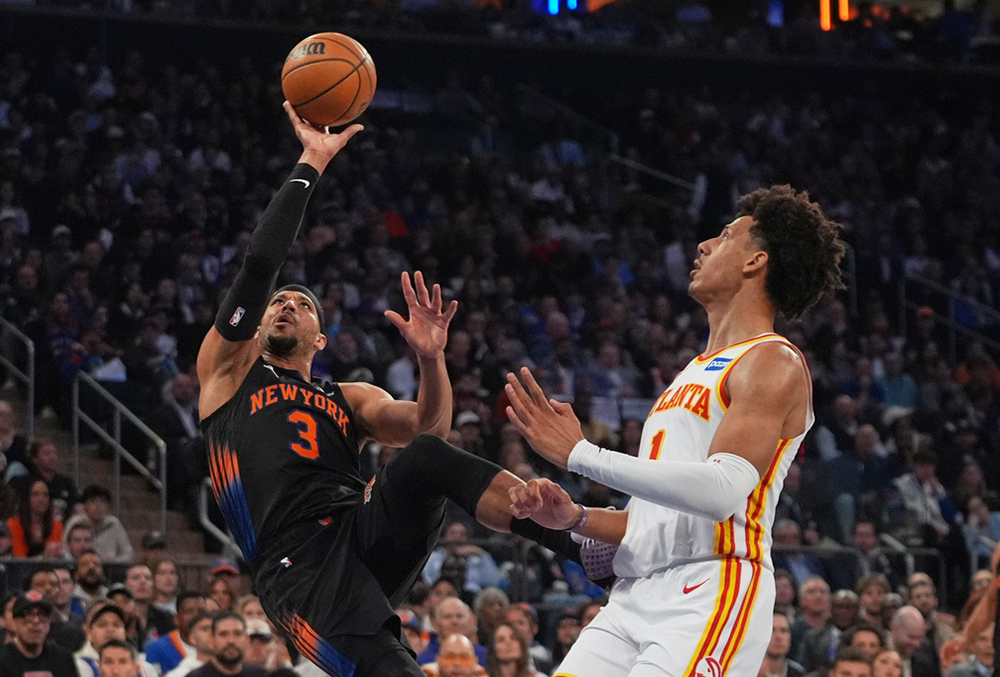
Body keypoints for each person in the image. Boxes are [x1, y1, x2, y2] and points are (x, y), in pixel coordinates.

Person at [196, 103, 587, 677]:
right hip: (297, 565)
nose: (287, 304)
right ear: (256, 327)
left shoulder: (345, 396)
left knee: (425, 456)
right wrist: (311, 161)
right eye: (281, 301)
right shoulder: (228, 374)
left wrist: (432, 361)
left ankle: (574, 536)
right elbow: (259, 266)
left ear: (320, 338)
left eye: (302, 304)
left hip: (364, 529)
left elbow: (430, 431)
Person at [506, 186, 845, 676]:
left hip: (710, 589)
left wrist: (580, 453)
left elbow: (721, 492)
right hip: (633, 593)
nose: (705, 245)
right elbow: (657, 521)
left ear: (755, 262)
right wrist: (576, 516)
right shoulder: (690, 373)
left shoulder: (773, 360)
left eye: (726, 236)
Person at [0, 591, 79, 676]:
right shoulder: (2, 660)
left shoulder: (63, 659)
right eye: (28, 614)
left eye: (43, 614)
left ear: (49, 623)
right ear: (15, 622)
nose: (36, 621)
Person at [64, 485, 134, 563]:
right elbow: (64, 547)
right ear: (85, 505)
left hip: (109, 569)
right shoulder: (76, 522)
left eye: (102, 501)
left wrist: (114, 562)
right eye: (93, 501)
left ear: (108, 506)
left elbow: (128, 553)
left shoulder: (114, 524)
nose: (98, 506)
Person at [187, 612, 267, 677]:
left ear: (247, 639)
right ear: (212, 638)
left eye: (237, 634)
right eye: (223, 634)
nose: (231, 641)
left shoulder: (262, 674)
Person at [144, 592, 206, 674]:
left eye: (201, 611)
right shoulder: (157, 649)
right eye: (189, 611)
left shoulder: (216, 645)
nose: (196, 616)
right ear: (177, 619)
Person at [7, 478, 64, 557]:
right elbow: (18, 556)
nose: (41, 499)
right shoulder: (13, 524)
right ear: (27, 499)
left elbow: (54, 554)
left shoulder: (57, 525)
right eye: (35, 494)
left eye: (45, 495)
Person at [164, 611, 214, 677]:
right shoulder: (178, 674)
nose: (211, 633)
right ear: (192, 638)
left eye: (214, 629)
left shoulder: (229, 671)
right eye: (205, 629)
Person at [758, 611, 805, 677]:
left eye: (784, 630)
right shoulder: (748, 671)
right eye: (772, 630)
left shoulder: (797, 673)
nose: (779, 637)